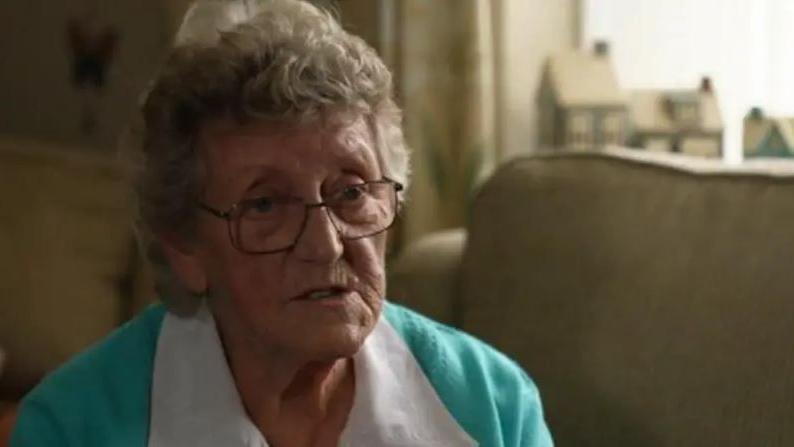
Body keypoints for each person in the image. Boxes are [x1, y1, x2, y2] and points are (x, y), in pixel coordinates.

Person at [11, 0, 553, 445]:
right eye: (266, 206)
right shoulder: (73, 427)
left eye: (352, 191)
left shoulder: (492, 407)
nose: (325, 244)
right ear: (185, 248)